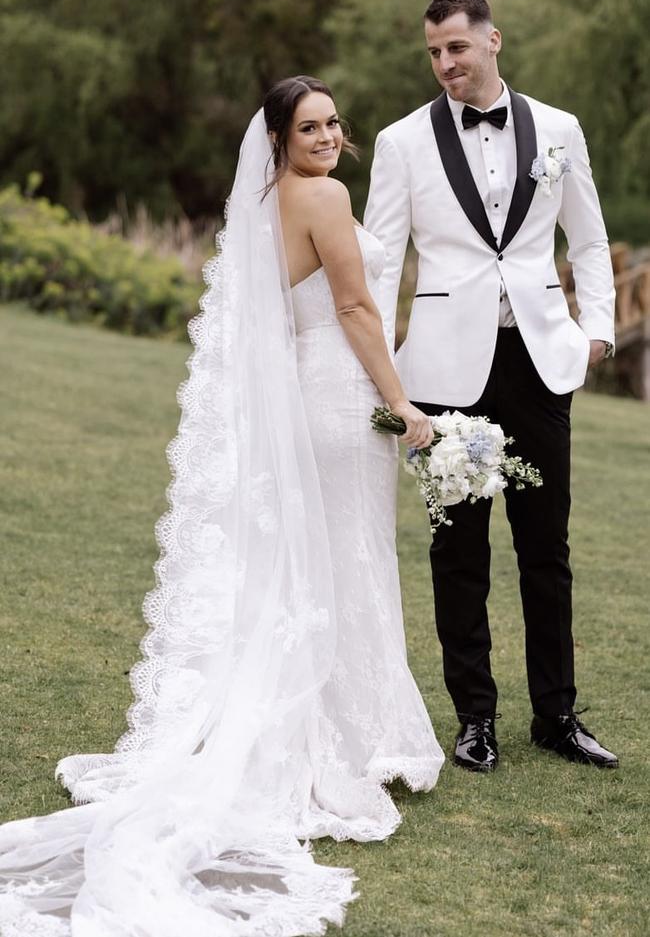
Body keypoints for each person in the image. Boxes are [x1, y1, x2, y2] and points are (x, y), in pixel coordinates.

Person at [0, 77, 443, 935]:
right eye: (307, 126)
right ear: (277, 137)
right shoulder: (324, 195)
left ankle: (337, 722)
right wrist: (407, 403)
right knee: (349, 555)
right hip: (342, 391)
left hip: (304, 395)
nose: (325, 136)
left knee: (318, 557)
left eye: (332, 123)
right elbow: (354, 305)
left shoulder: (264, 203)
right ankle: (340, 740)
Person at [364, 0, 619, 773]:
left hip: (540, 363)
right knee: (459, 549)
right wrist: (379, 372)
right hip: (444, 371)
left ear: (493, 41)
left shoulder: (561, 130)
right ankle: (475, 717)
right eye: (434, 52)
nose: (445, 64)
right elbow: (379, 263)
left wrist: (598, 328)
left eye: (457, 48)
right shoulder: (401, 142)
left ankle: (558, 714)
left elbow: (590, 234)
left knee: (547, 546)